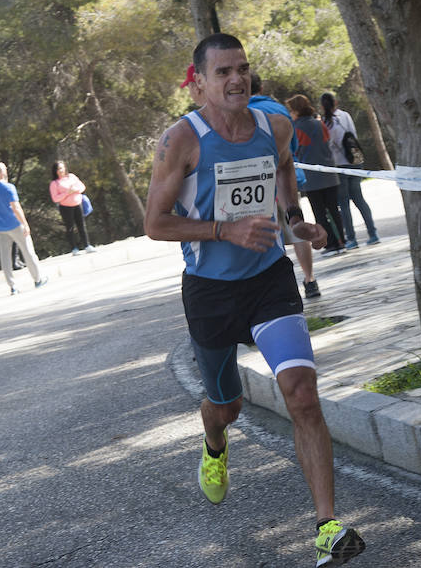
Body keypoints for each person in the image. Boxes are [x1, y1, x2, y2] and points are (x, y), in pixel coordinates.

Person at [144, 33, 365, 566]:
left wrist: (294, 221)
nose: (236, 79)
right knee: (227, 405)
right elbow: (155, 223)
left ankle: (326, 527)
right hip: (211, 291)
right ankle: (215, 443)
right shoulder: (183, 140)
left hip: (269, 279)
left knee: (302, 394)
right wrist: (226, 230)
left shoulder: (275, 126)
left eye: (241, 68)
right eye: (222, 72)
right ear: (199, 83)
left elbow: (284, 166)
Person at [248, 74, 321, 299]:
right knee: (297, 230)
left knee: (265, 235)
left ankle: (272, 288)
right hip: (288, 181)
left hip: (257, 185)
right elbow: (293, 146)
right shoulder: (278, 109)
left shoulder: (242, 114)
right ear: (261, 86)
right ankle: (310, 280)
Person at [287, 95, 347, 257]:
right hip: (329, 172)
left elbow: (294, 150)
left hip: (311, 178)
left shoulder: (294, 128)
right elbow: (327, 142)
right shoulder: (319, 123)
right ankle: (342, 240)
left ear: (296, 110)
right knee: (334, 210)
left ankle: (330, 243)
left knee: (319, 212)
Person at [320, 93, 379, 248]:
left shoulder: (325, 122)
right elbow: (353, 134)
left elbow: (329, 144)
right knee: (359, 199)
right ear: (336, 102)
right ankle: (373, 233)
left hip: (339, 165)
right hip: (355, 160)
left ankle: (352, 239)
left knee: (344, 203)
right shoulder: (345, 115)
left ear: (322, 106)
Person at [0, 162, 48, 295]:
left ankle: (13, 286)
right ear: (2, 172)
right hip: (15, 224)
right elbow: (16, 207)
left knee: (5, 257)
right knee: (28, 252)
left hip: (1, 227)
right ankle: (37, 279)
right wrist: (25, 223)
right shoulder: (9, 187)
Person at [49, 161, 95, 256]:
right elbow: (55, 198)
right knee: (70, 227)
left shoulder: (72, 177)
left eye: (62, 168)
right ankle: (74, 249)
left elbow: (82, 187)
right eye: (58, 169)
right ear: (55, 171)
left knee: (82, 225)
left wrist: (76, 190)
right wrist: (67, 193)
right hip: (65, 207)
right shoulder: (54, 183)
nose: (61, 170)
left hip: (78, 204)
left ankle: (87, 246)